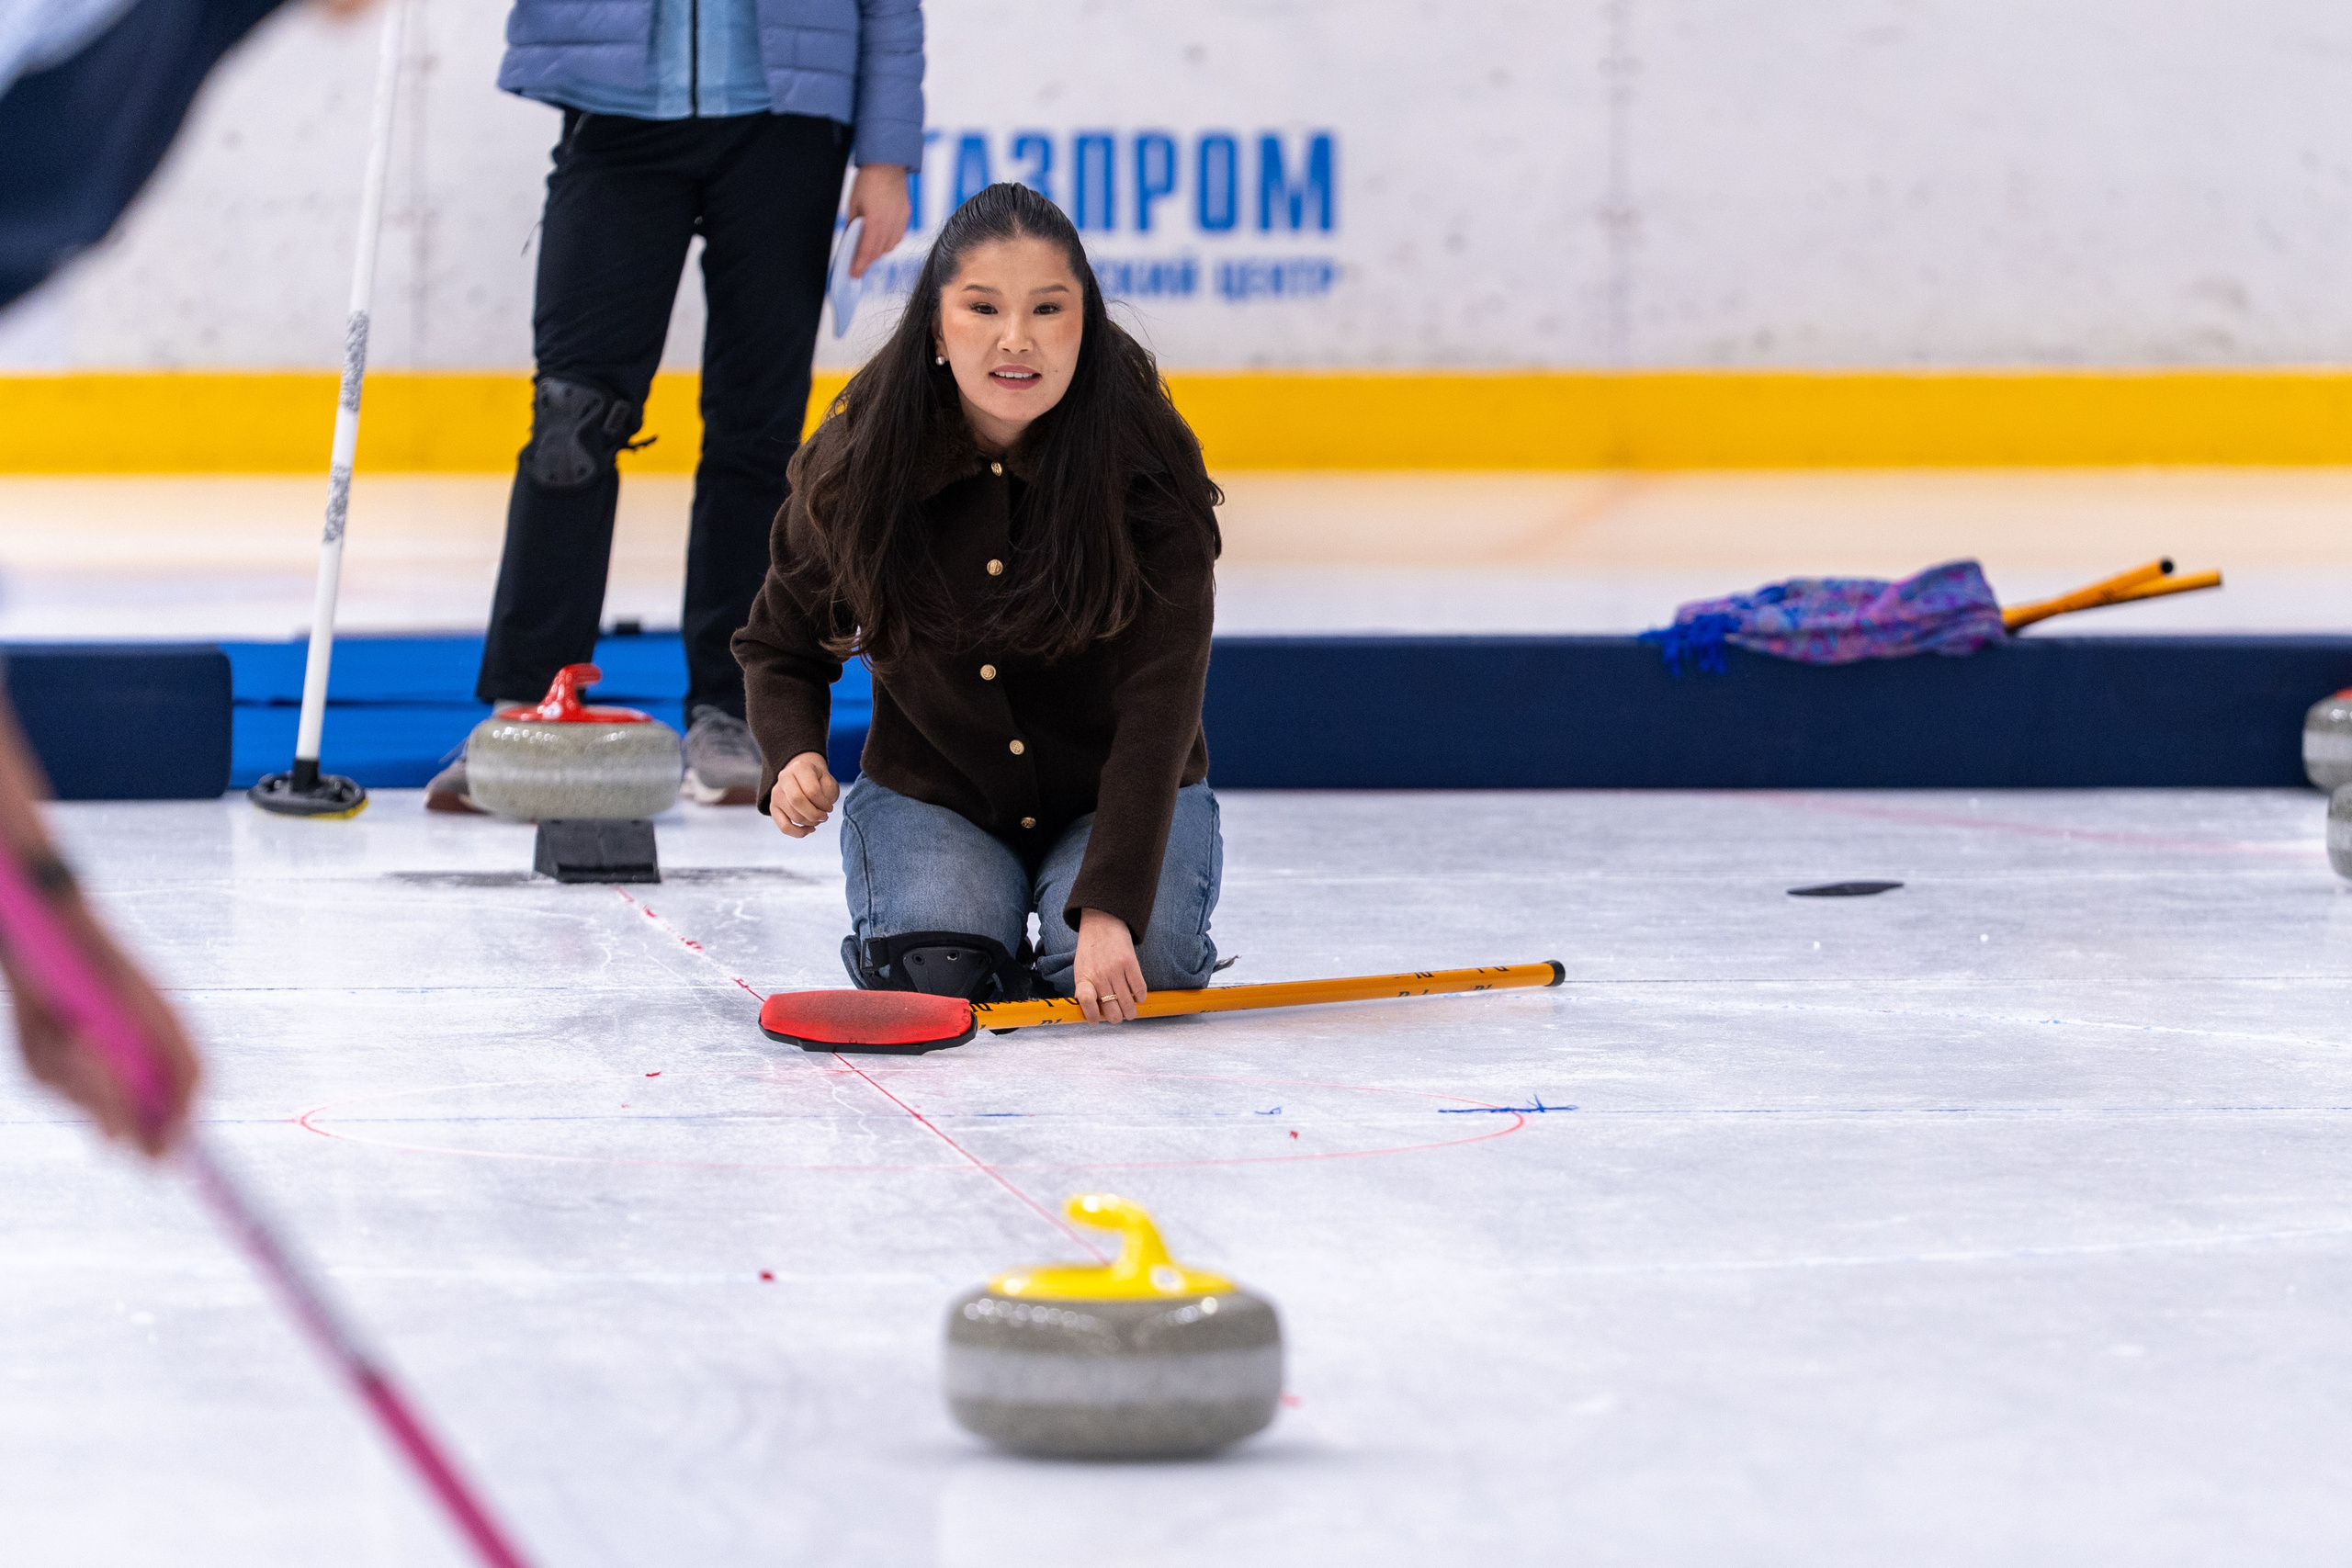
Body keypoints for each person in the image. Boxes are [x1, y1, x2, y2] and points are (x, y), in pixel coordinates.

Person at [736, 182, 1226, 1024]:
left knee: (1138, 966)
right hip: (939, 793)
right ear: (936, 325)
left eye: (1047, 309)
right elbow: (779, 642)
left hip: (1115, 796)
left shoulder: (1147, 469)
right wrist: (792, 753)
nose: (1017, 339)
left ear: (1087, 322)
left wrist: (1109, 905)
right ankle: (958, 929)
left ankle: (1101, 923)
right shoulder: (864, 458)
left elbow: (1160, 711)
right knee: (935, 971)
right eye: (983, 307)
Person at [430, 0, 924, 813]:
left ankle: (733, 708)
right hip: (616, 110)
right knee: (570, 422)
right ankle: (528, 702)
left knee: (758, 432)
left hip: (787, 124)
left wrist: (888, 154)